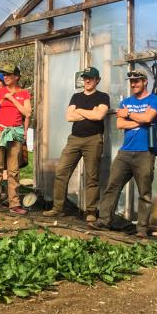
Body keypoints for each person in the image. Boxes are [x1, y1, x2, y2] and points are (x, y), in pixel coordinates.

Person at [90, 68, 157, 238]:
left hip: (145, 152)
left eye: (137, 81)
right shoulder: (126, 101)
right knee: (112, 186)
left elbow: (147, 118)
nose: (133, 84)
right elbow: (120, 125)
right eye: (131, 81)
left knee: (144, 192)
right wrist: (140, 120)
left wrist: (130, 114)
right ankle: (104, 220)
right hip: (125, 152)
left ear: (145, 81)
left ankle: (142, 229)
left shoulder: (155, 100)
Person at [43, 67, 110, 222]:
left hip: (93, 139)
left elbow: (99, 115)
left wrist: (79, 111)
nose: (87, 80)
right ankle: (58, 208)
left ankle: (91, 211)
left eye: (91, 78)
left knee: (92, 176)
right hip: (74, 139)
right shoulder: (76, 97)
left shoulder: (103, 96)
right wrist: (87, 112)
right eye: (85, 77)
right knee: (61, 171)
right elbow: (69, 117)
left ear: (97, 80)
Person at [0, 64, 31, 214]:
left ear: (17, 76)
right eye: (4, 74)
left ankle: (14, 204)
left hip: (15, 133)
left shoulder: (23, 93)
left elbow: (27, 112)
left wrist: (11, 98)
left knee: (13, 170)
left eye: (9, 74)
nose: (5, 77)